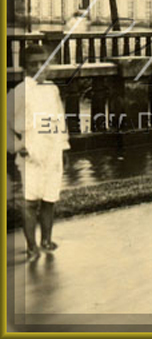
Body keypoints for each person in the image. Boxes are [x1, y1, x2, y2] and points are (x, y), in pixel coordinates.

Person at [7, 44, 70, 262]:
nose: (39, 68)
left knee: (49, 198)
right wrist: (17, 146)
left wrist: (63, 147)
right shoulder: (20, 92)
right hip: (31, 153)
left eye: (43, 63)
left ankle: (46, 239)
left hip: (51, 152)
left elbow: (58, 121)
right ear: (25, 68)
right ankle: (32, 245)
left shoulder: (52, 89)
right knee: (30, 201)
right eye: (33, 64)